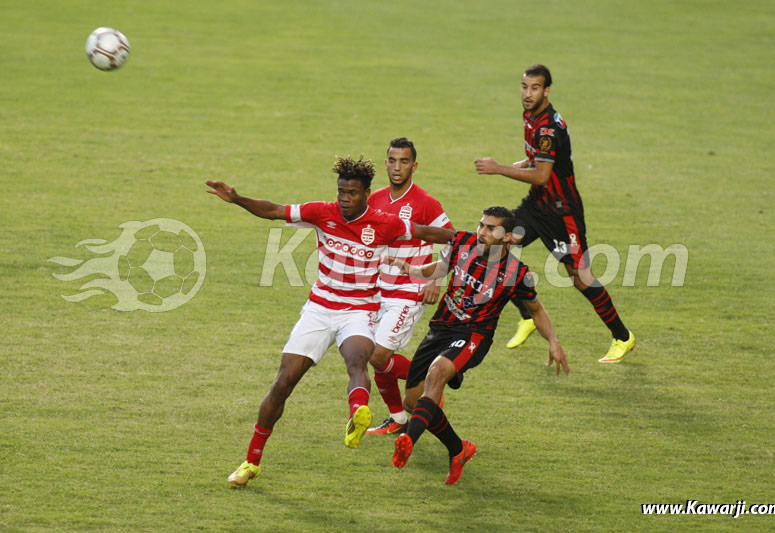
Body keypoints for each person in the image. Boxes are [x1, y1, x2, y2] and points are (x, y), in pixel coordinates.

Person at [205, 155, 455, 488]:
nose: (345, 199)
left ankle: (358, 413)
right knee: (283, 382)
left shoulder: (385, 223)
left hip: (359, 310)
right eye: (341, 192)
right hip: (319, 309)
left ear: (366, 194)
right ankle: (251, 462)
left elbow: (428, 231)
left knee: (358, 360)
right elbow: (274, 210)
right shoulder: (321, 212)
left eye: (352, 193)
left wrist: (473, 241)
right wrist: (237, 199)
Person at [388, 206, 568, 485]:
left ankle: (408, 439)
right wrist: (411, 269)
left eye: (490, 228)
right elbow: (440, 268)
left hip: (474, 335)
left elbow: (536, 310)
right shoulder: (462, 243)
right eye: (481, 225)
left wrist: (553, 341)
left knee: (437, 373)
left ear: (507, 236)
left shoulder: (517, 274)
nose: (482, 232)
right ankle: (458, 449)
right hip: (440, 328)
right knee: (412, 402)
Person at [474, 64, 635, 363]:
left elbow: (542, 175)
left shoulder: (547, 127)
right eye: (524, 86)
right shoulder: (531, 115)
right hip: (537, 206)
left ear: (546, 91)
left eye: (535, 88)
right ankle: (527, 317)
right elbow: (541, 159)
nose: (528, 93)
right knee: (494, 245)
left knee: (581, 278)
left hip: (562, 214)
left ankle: (623, 337)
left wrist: (499, 168)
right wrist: (524, 162)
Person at [364, 137, 454, 436]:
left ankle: (431, 379)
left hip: (409, 291)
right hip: (377, 289)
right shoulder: (374, 199)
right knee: (372, 355)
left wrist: (435, 280)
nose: (397, 167)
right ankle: (398, 418)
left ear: (414, 166)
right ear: (385, 163)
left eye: (404, 161)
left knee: (378, 356)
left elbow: (453, 241)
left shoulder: (425, 202)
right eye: (392, 161)